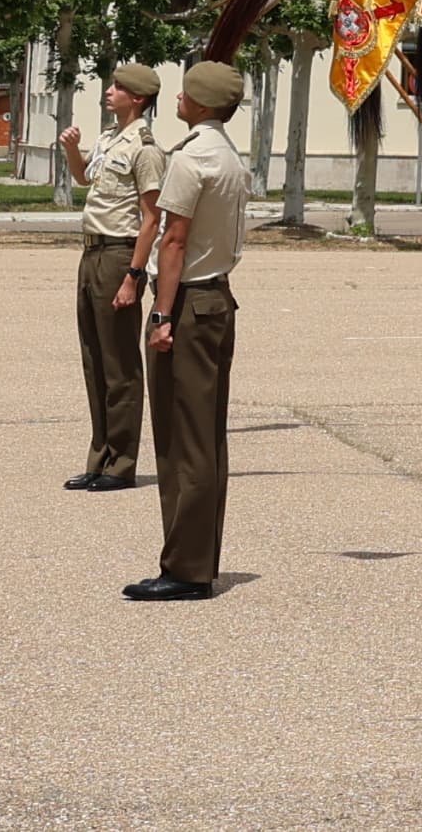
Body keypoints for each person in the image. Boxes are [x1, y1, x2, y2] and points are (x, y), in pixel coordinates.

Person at [125, 60, 253, 601]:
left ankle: (186, 568)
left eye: (185, 93)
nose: (177, 98)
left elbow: (174, 241)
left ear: (201, 104)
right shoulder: (228, 155)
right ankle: (197, 559)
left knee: (184, 440)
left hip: (187, 301)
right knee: (206, 438)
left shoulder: (191, 158)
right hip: (217, 297)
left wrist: (160, 316)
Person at [59, 60, 162, 494]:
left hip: (120, 255)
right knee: (95, 361)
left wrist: (133, 276)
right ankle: (99, 456)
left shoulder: (145, 148)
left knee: (119, 365)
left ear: (137, 98)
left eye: (117, 87)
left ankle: (121, 463)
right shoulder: (108, 138)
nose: (109, 91)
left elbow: (152, 218)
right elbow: (84, 177)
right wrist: (71, 149)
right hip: (92, 253)